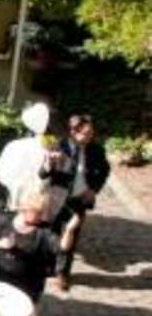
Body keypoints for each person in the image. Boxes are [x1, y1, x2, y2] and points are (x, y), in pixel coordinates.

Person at [0, 190, 81, 304]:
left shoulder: (44, 230)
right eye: (38, 212)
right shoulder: (5, 220)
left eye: (42, 212)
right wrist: (0, 244)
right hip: (0, 277)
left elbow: (62, 247)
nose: (42, 215)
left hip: (29, 285)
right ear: (24, 210)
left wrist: (69, 230)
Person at [50, 114, 110, 291]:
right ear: (74, 132)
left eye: (91, 133)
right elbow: (46, 172)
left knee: (71, 234)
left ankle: (62, 273)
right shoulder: (60, 146)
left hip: (80, 199)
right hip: (58, 197)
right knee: (54, 234)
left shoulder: (96, 150)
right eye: (85, 133)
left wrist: (93, 189)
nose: (90, 136)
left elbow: (105, 169)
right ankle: (50, 265)